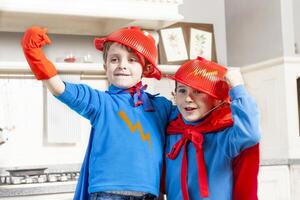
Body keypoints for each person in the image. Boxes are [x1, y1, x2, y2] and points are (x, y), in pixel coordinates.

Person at [21, 26, 173, 200]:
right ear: (105, 66)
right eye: (114, 59)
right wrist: (34, 54)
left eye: (132, 60)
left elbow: (191, 123)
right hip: (107, 193)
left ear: (145, 68)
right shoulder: (100, 102)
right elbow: (59, 88)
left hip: (149, 193)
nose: (122, 65)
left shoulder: (162, 107)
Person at [164, 57, 261, 200]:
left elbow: (251, 134)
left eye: (198, 91)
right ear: (174, 95)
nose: (188, 99)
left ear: (217, 100)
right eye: (182, 90)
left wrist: (238, 88)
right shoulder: (171, 130)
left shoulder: (225, 138)